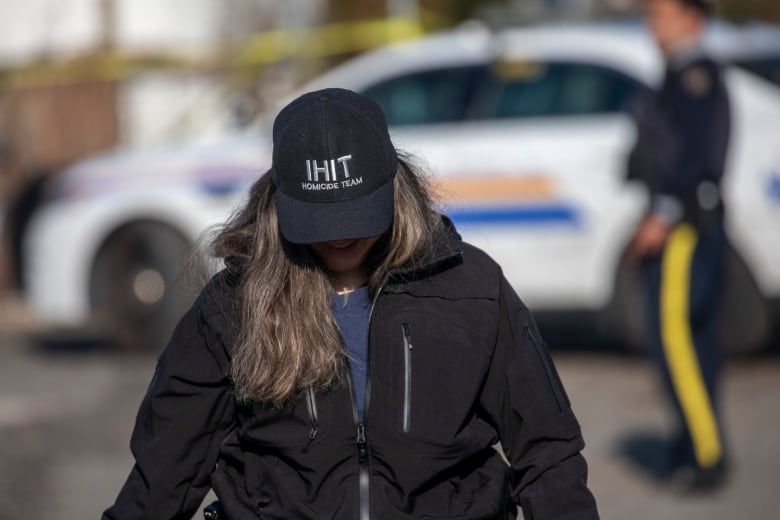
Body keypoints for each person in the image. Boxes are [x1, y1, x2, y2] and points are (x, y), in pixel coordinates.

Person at [104, 88, 599, 519]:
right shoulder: (232, 306)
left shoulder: (472, 286)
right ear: (279, 203)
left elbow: (548, 451)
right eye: (320, 221)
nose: (341, 238)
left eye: (358, 214)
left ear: (394, 186)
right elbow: (165, 470)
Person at [626, 0, 731, 492]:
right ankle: (694, 443)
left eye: (661, 13)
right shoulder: (678, 73)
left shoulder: (694, 76)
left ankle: (705, 453)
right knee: (693, 341)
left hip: (684, 228)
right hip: (685, 221)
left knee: (678, 343)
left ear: (693, 20)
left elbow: (695, 158)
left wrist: (662, 214)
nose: (652, 23)